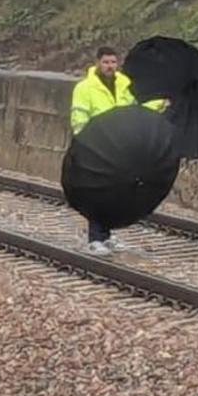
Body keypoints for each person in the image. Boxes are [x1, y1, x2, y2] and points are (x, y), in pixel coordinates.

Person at [70, 46, 142, 255]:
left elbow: (135, 111)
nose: (110, 66)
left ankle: (107, 236)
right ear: (97, 63)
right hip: (96, 147)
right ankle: (95, 238)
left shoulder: (125, 85)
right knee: (97, 193)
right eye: (106, 62)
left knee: (115, 192)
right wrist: (85, 143)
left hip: (119, 147)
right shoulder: (84, 88)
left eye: (113, 62)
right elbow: (79, 118)